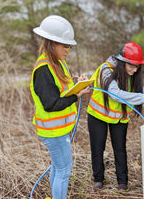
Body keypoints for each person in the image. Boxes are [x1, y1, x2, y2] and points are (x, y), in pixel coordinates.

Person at [87, 42, 144, 191]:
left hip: (119, 118)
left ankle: (122, 182)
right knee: (98, 148)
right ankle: (98, 178)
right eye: (132, 66)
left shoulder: (133, 74)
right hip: (98, 115)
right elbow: (115, 94)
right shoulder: (106, 69)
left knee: (120, 149)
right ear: (123, 61)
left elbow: (142, 97)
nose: (135, 69)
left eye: (137, 67)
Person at [30, 15, 90, 199]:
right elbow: (51, 104)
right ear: (52, 43)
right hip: (52, 132)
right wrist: (77, 95)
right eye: (65, 45)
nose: (68, 50)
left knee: (58, 166)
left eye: (69, 46)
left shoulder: (58, 63)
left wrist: (77, 83)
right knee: (64, 169)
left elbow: (63, 87)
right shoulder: (43, 70)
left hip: (60, 129)